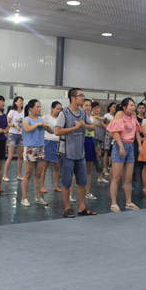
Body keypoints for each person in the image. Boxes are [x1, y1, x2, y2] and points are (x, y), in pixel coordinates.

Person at [55, 88, 97, 218]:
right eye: (80, 95)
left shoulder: (83, 113)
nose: (83, 97)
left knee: (82, 182)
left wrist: (85, 126)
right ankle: (67, 208)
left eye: (83, 95)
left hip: (80, 153)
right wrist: (75, 128)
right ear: (72, 98)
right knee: (67, 183)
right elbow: (57, 131)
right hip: (67, 153)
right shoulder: (64, 113)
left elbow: (93, 126)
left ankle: (82, 207)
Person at [107, 98, 142, 212]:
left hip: (131, 146)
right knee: (116, 177)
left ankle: (129, 202)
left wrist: (140, 146)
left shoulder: (133, 115)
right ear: (124, 107)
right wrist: (121, 146)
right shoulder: (120, 114)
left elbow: (137, 130)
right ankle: (113, 203)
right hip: (120, 145)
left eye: (134, 105)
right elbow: (115, 131)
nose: (133, 107)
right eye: (131, 105)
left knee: (128, 177)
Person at [21, 99, 53, 206]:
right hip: (30, 148)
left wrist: (46, 126)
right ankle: (24, 198)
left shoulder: (40, 120)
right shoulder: (26, 119)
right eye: (37, 107)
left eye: (40, 106)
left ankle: (38, 197)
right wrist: (37, 124)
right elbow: (26, 129)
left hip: (40, 148)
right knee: (28, 174)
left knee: (38, 174)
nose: (39, 109)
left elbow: (52, 131)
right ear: (30, 108)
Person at [40, 101, 62, 193]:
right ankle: (42, 186)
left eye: (60, 109)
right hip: (48, 142)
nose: (59, 110)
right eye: (57, 108)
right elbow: (40, 126)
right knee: (45, 166)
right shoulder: (45, 117)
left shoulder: (61, 118)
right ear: (52, 108)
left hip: (58, 142)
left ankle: (56, 186)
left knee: (57, 166)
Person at [3, 96, 24, 182]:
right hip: (12, 134)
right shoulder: (12, 111)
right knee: (10, 156)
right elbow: (6, 123)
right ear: (15, 102)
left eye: (22, 101)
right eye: (20, 101)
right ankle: (5, 175)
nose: (21, 102)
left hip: (21, 135)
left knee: (20, 156)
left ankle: (19, 175)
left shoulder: (24, 112)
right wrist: (14, 125)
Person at [82, 100, 99, 200]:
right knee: (76, 169)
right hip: (80, 141)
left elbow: (99, 126)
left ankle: (87, 192)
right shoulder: (78, 117)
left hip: (89, 141)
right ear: (81, 107)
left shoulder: (93, 118)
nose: (88, 107)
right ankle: (71, 194)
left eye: (89, 106)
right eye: (86, 105)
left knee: (88, 170)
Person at [91, 101, 109, 185]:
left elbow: (107, 128)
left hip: (99, 141)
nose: (96, 109)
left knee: (98, 159)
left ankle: (100, 177)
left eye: (97, 107)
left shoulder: (102, 119)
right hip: (92, 139)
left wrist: (100, 120)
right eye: (94, 108)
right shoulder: (90, 118)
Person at [102, 102, 117, 176]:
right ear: (110, 108)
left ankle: (112, 167)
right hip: (108, 134)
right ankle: (105, 168)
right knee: (107, 152)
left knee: (113, 152)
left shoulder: (116, 116)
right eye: (113, 107)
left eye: (115, 107)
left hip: (115, 135)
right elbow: (104, 125)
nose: (114, 108)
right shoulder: (107, 115)